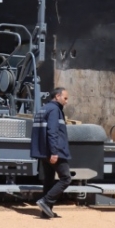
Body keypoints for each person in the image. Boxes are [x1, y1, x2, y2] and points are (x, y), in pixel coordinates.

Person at [30, 87, 72, 219]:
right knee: (66, 178)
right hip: (54, 151)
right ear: (57, 96)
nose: (66, 101)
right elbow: (52, 132)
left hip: (44, 151)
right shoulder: (54, 110)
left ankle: (45, 211)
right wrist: (54, 152)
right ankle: (46, 201)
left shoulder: (43, 109)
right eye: (65, 98)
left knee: (48, 179)